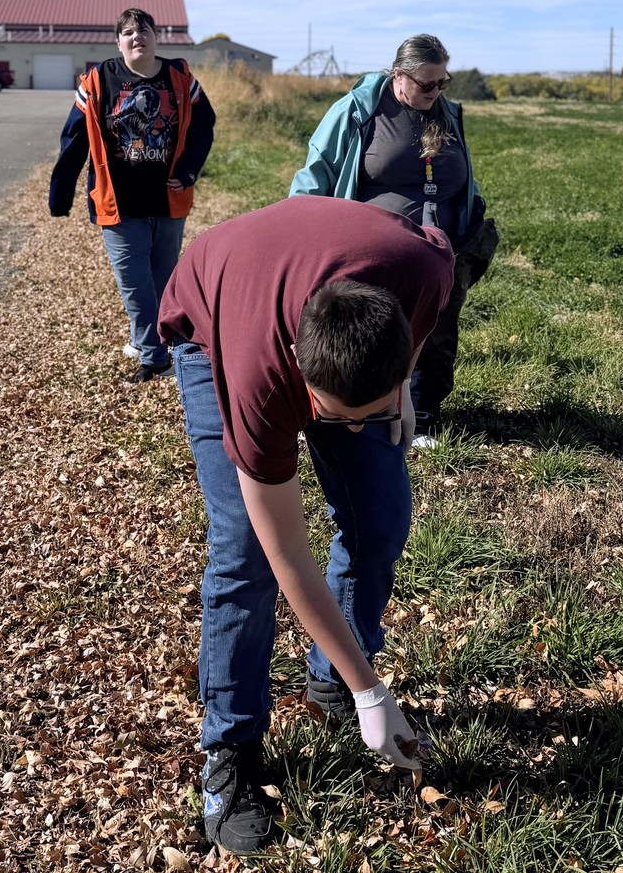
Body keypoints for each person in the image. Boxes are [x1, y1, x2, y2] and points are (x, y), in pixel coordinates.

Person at [158, 195, 454, 853]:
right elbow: (288, 551)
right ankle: (231, 752)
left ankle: (334, 675)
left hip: (335, 296)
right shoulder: (258, 378)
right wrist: (374, 693)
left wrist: (401, 391)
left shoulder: (422, 272)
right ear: (299, 368)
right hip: (213, 323)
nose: (352, 428)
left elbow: (431, 288)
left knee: (380, 519)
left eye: (366, 412)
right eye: (336, 415)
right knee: (245, 554)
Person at [290, 34, 497, 446]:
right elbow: (317, 171)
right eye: (426, 83)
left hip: (444, 249)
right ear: (398, 75)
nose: (435, 91)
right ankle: (362, 408)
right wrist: (298, 230)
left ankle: (424, 413)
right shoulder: (358, 111)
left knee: (436, 329)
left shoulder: (447, 112)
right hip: (374, 251)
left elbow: (461, 172)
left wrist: (471, 212)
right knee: (374, 328)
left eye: (442, 82)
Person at [49, 7, 215, 383]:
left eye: (144, 31)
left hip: (167, 200)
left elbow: (204, 125)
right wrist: (61, 196)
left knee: (163, 279)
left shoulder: (180, 78)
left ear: (157, 38)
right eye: (128, 32)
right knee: (136, 284)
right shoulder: (97, 81)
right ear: (118, 42)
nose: (136, 37)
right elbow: (73, 139)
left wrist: (188, 171)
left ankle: (160, 342)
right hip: (118, 202)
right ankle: (154, 357)